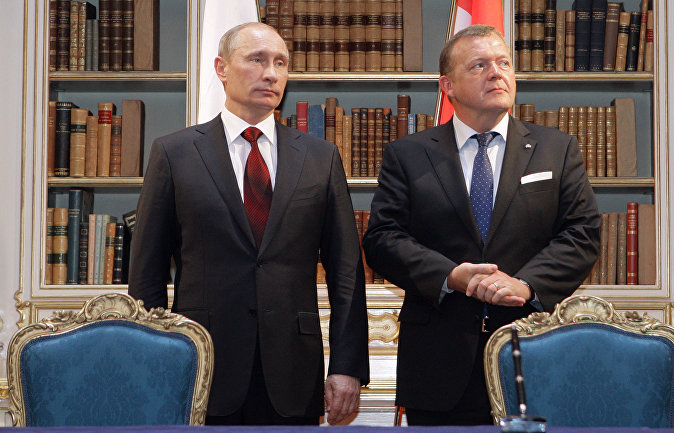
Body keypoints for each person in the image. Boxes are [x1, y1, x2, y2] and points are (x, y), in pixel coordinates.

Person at [128, 22, 369, 426]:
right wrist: (156, 363)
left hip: (293, 370)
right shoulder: (174, 153)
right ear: (221, 68)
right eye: (256, 60)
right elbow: (147, 273)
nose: (271, 73)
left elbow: (346, 272)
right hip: (201, 368)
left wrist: (347, 366)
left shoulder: (320, 157)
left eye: (280, 63)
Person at [362, 25, 601, 426]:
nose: (496, 73)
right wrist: (450, 276)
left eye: (503, 63)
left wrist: (525, 285)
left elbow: (582, 234)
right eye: (479, 65)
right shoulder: (408, 154)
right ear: (448, 86)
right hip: (439, 362)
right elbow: (383, 239)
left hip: (533, 352)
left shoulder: (557, 149)